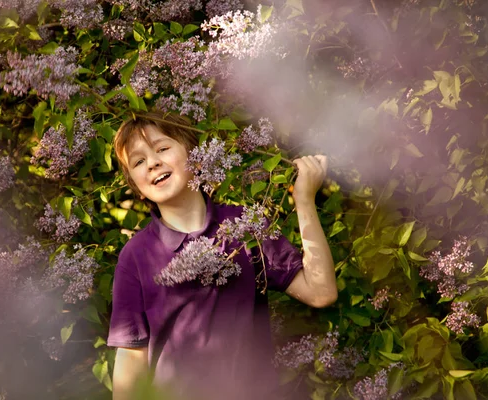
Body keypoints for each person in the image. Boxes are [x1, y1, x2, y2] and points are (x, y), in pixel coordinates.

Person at [107, 111, 337, 400]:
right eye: (139, 161)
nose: (152, 162)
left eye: (162, 148)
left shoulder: (246, 226)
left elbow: (320, 292)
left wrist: (304, 200)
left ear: (197, 157)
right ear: (136, 187)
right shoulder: (137, 256)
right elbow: (131, 365)